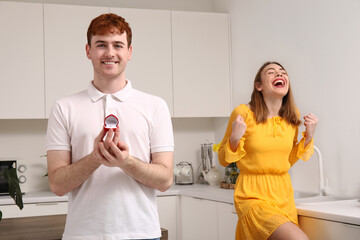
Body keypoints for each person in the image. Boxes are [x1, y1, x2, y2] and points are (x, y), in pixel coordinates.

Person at [46, 13, 174, 240]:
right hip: (82, 234)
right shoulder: (64, 108)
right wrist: (96, 158)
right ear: (88, 51)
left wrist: (126, 162)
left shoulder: (155, 106)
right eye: (101, 45)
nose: (110, 53)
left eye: (118, 45)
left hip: (142, 233)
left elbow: (165, 180)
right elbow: (57, 184)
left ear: (129, 52)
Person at [218, 62, 318, 240]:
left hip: (283, 195)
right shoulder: (243, 113)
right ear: (259, 86)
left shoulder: (291, 116)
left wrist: (308, 137)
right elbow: (223, 159)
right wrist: (234, 138)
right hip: (252, 195)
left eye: (282, 72)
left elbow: (287, 160)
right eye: (271, 72)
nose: (279, 74)